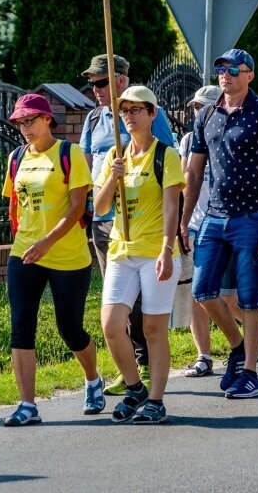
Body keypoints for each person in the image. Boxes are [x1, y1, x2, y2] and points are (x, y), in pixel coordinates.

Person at [181, 48, 258, 399]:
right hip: (213, 216)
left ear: (249, 75)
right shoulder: (206, 115)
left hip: (252, 218)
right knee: (202, 291)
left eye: (233, 70)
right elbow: (194, 174)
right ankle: (239, 348)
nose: (225, 75)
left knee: (250, 298)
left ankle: (252, 374)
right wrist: (184, 222)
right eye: (220, 70)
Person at [2, 94, 102, 426]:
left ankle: (92, 380)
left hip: (68, 254)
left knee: (69, 329)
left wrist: (47, 241)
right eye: (20, 122)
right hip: (25, 252)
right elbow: (14, 204)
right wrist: (23, 240)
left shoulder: (68, 153)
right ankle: (27, 405)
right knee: (21, 327)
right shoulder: (16, 157)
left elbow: (77, 207)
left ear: (47, 120)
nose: (25, 127)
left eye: (30, 120)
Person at [80, 54, 174, 396]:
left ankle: (147, 365)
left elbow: (167, 165)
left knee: (142, 307)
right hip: (106, 224)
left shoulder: (150, 115)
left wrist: (169, 233)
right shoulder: (93, 120)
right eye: (92, 84)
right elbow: (86, 166)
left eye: (102, 82)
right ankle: (131, 370)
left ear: (120, 80)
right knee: (117, 302)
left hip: (145, 226)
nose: (96, 90)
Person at [95, 86, 185, 423]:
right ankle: (135, 388)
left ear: (151, 114)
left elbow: (171, 206)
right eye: (125, 111)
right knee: (112, 325)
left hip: (154, 252)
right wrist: (112, 177)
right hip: (121, 249)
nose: (129, 116)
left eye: (136, 110)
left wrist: (166, 247)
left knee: (152, 329)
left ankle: (156, 400)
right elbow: (101, 207)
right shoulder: (114, 156)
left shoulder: (166, 155)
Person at [179, 85, 246, 377]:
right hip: (197, 225)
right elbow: (186, 181)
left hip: (227, 223)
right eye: (194, 107)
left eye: (203, 107)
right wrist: (181, 224)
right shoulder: (187, 140)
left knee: (228, 297)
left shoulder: (229, 135)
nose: (198, 113)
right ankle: (203, 356)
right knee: (198, 293)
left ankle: (252, 326)